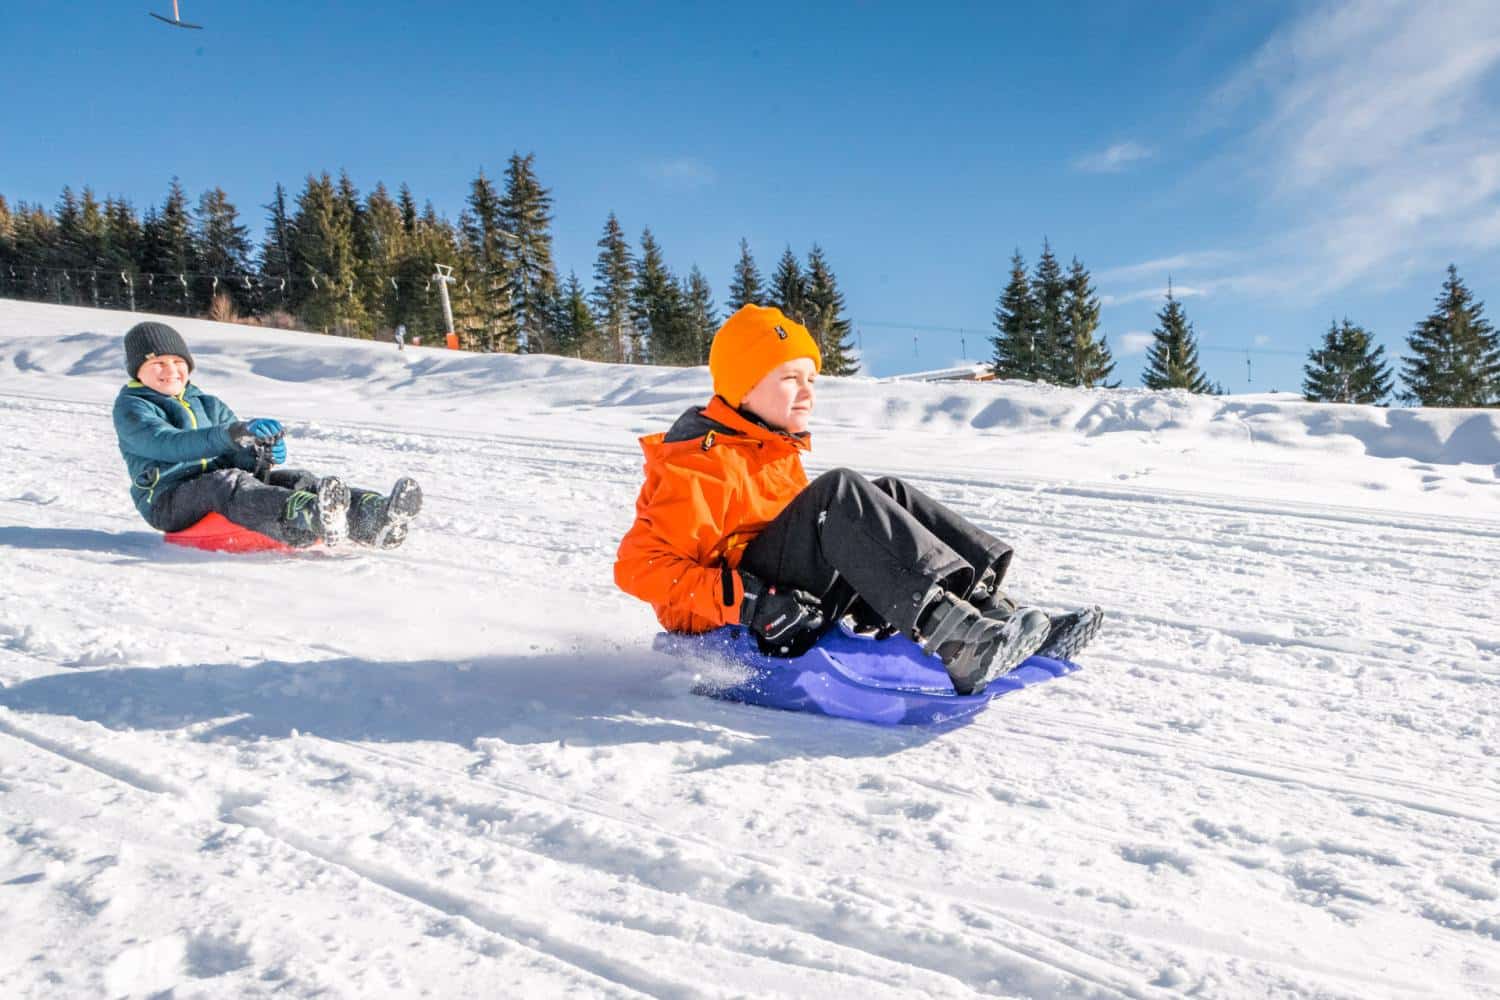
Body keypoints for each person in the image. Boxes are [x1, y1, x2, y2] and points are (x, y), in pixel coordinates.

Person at [615, 305, 1102, 695]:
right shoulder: (699, 462)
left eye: (811, 380)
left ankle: (986, 611)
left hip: (788, 597)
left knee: (886, 491)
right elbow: (637, 567)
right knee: (836, 494)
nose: (806, 393)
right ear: (742, 388)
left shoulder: (769, 446)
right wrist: (747, 603)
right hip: (744, 619)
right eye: (789, 379)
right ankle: (954, 637)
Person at [112, 321, 422, 550]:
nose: (171, 370)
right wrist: (232, 433)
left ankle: (372, 517)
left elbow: (236, 456)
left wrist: (261, 452)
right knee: (227, 483)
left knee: (296, 478)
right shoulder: (132, 407)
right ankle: (304, 517)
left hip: (219, 486)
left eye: (178, 362)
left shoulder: (208, 403)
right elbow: (168, 445)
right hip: (167, 500)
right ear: (138, 369)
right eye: (158, 363)